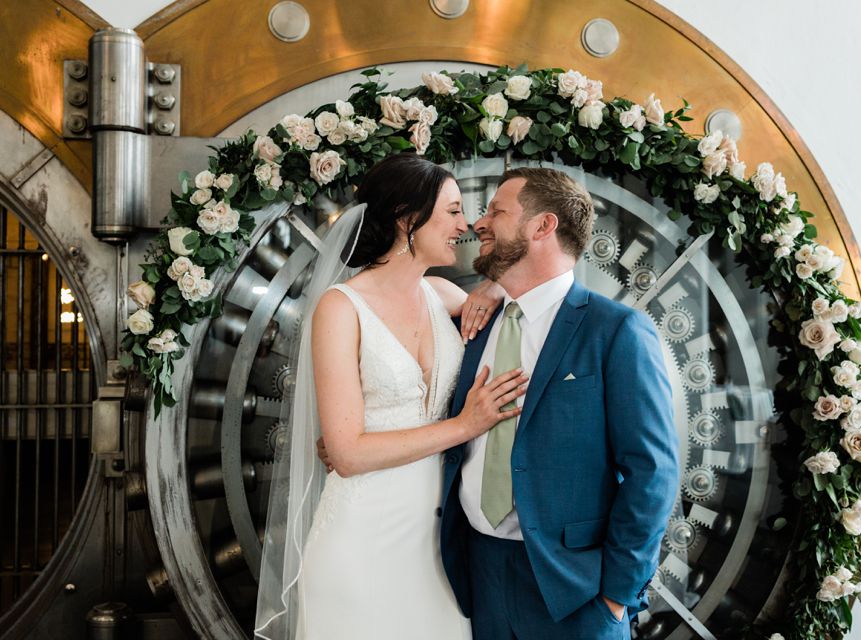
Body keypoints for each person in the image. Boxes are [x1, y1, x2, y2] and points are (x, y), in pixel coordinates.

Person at [254, 154, 524, 640]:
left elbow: (524, 327)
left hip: (440, 548)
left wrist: (492, 285)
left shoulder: (443, 295)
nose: (464, 225)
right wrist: (464, 425)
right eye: (453, 211)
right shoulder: (341, 309)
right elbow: (348, 453)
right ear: (407, 220)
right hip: (361, 542)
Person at [439, 167, 679, 640]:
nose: (478, 223)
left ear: (542, 226)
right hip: (477, 572)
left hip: (575, 590)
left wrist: (616, 596)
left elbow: (653, 471)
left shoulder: (616, 331)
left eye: (496, 211)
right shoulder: (476, 321)